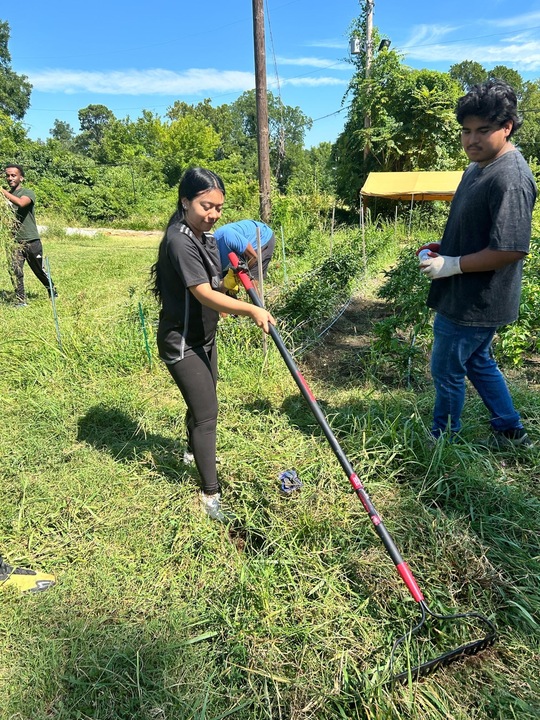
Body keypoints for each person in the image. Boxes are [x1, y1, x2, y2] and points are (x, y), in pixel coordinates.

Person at [150, 167, 275, 521]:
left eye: (219, 207)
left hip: (205, 338)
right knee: (207, 414)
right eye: (207, 206)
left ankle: (192, 452)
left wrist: (237, 279)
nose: (214, 214)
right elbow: (203, 294)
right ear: (185, 201)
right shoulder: (179, 239)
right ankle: (210, 496)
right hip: (182, 342)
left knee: (203, 398)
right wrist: (251, 310)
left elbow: (216, 283)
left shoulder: (206, 235)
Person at [418, 80, 536, 448]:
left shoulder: (511, 178)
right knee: (477, 361)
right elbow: (477, 228)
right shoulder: (477, 167)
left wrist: (452, 265)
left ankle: (444, 440)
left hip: (477, 299)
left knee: (447, 368)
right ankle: (509, 427)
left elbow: (510, 248)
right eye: (466, 131)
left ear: (507, 127)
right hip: (463, 290)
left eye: (483, 130)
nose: (472, 139)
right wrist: (444, 248)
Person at [2, 164, 57, 307]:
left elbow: (21, 203)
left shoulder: (27, 193)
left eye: (13, 175)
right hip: (14, 241)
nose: (10, 178)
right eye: (7, 175)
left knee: (38, 270)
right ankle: (21, 301)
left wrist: (1, 191)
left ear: (21, 178)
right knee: (16, 271)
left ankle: (51, 289)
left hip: (31, 240)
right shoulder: (6, 196)